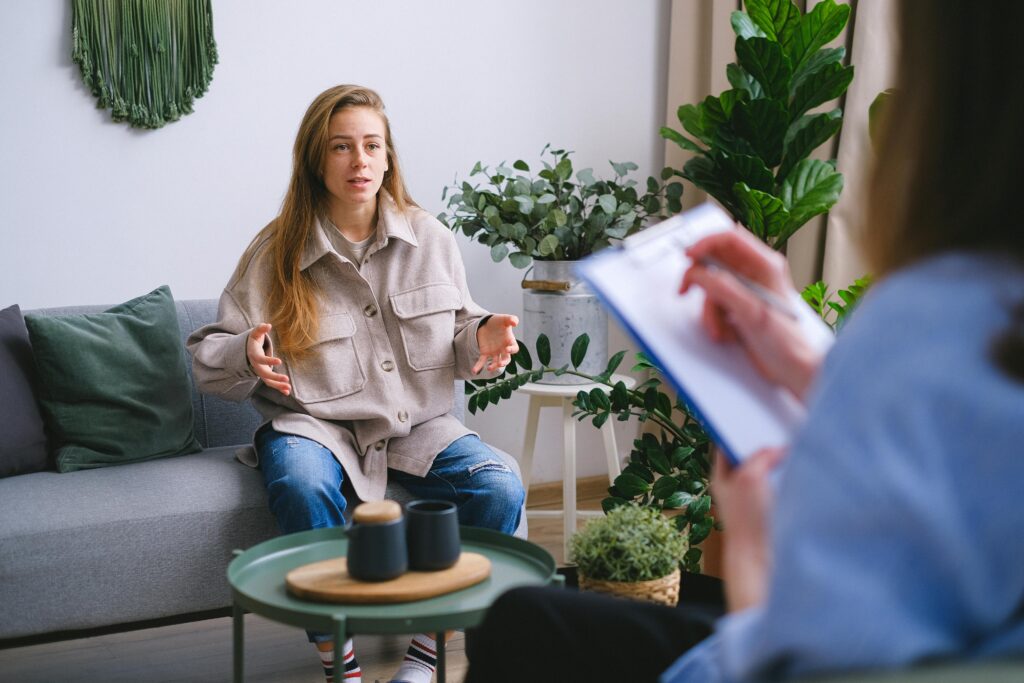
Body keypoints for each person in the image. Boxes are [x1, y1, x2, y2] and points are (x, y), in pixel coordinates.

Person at [464, 1, 1024, 681]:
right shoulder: (976, 323)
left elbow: (803, 660)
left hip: (767, 651)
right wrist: (811, 352)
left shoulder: (944, 308)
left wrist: (756, 547)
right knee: (536, 618)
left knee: (525, 625)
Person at [187, 84, 525, 683]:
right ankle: (338, 659)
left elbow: (461, 333)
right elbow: (207, 355)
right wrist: (247, 354)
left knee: (499, 487)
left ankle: (424, 654)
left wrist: (485, 337)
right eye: (341, 147)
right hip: (313, 429)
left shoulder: (432, 240)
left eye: (373, 145)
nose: (359, 160)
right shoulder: (274, 252)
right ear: (316, 160)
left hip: (416, 429)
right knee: (299, 481)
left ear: (390, 156)